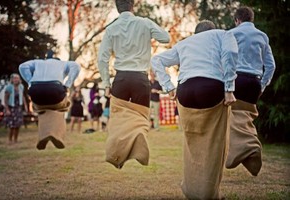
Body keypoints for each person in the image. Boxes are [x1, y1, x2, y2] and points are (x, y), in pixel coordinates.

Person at [151, 20, 238, 199]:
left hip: (185, 91)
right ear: (211, 30)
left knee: (192, 144)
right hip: (211, 87)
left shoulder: (184, 43)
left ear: (196, 33)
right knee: (216, 143)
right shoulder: (223, 34)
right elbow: (230, 53)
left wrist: (169, 87)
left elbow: (156, 60)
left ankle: (192, 189)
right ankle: (209, 194)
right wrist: (229, 88)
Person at [98, 0, 170, 168]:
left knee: (117, 122)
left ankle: (117, 155)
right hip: (140, 79)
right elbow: (165, 38)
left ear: (117, 8)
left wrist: (106, 83)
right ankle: (138, 144)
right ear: (132, 6)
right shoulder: (144, 23)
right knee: (139, 118)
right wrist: (149, 30)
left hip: (121, 79)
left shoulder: (111, 29)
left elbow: (102, 59)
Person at [225, 6, 276, 176]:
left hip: (236, 79)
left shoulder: (232, 33)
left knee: (228, 116)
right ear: (251, 19)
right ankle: (250, 150)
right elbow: (271, 65)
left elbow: (226, 58)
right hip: (254, 82)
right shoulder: (262, 36)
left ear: (237, 20)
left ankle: (244, 151)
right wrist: (262, 85)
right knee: (245, 117)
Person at [19, 50, 80, 150]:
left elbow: (22, 66)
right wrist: (67, 85)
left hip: (36, 91)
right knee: (62, 107)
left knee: (42, 109)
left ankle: (43, 136)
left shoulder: (38, 62)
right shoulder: (62, 63)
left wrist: (30, 82)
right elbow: (76, 66)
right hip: (55, 89)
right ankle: (57, 135)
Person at [4, 73, 28, 144]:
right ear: (12, 79)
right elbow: (5, 99)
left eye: (17, 78)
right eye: (14, 78)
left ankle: (15, 140)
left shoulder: (21, 87)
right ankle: (10, 140)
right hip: (11, 108)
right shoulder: (9, 87)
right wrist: (7, 109)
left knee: (18, 125)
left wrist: (26, 106)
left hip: (19, 108)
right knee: (12, 126)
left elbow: (23, 97)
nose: (16, 79)